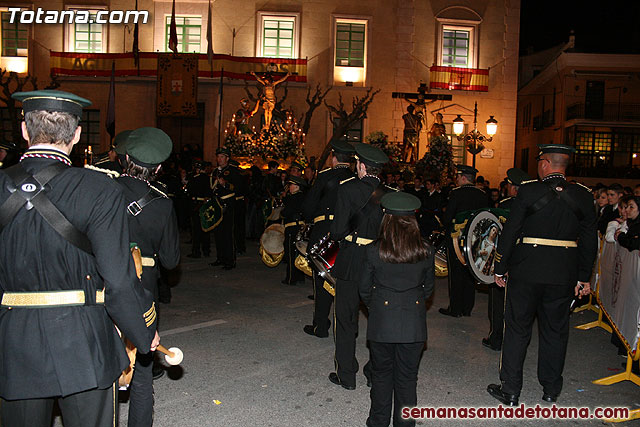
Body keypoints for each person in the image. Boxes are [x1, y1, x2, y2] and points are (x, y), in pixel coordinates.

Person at [0, 90, 159, 426]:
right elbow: (118, 279)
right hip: (84, 342)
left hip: (12, 343)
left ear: (25, 130)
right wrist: (143, 333)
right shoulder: (99, 189)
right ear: (76, 134)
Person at [487, 144, 597, 406]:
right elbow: (591, 240)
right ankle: (551, 389)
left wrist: (500, 267)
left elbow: (511, 231)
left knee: (516, 329)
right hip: (563, 272)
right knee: (555, 331)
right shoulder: (583, 196)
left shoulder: (528, 191)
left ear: (545, 164)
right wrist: (584, 277)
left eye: (539, 162)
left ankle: (511, 390)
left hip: (527, 269)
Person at [115, 127, 180, 426]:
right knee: (141, 371)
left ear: (124, 158)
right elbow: (171, 260)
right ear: (159, 168)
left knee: (104, 363)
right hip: (144, 289)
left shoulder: (104, 190)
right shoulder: (163, 203)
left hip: (106, 282)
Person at [360, 192, 434, 427]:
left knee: (381, 377)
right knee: (407, 379)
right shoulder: (425, 250)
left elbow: (364, 289)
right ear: (413, 220)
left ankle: (378, 422)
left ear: (387, 219)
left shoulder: (374, 250)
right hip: (413, 323)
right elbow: (428, 289)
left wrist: (379, 308)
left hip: (382, 321)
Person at [328, 143, 391, 390]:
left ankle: (347, 375)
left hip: (352, 259)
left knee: (345, 319)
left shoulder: (348, 189)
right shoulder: (390, 194)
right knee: (379, 320)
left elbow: (336, 232)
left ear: (361, 166)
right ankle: (374, 372)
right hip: (379, 262)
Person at [302, 140, 355, 338]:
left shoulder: (325, 176)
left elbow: (308, 206)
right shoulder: (355, 178)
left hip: (325, 231)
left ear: (334, 158)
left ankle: (321, 326)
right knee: (345, 280)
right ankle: (347, 329)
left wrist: (309, 217)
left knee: (322, 277)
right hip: (348, 233)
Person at [483, 167, 529, 352]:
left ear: (514, 188)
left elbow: (497, 234)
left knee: (497, 302)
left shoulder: (506, 205)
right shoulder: (533, 205)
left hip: (505, 258)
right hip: (523, 261)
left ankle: (496, 338)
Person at [439, 164, 489, 317]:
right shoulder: (482, 194)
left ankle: (455, 308)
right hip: (475, 239)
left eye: (458, 177)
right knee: (470, 272)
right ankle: (467, 308)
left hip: (456, 238)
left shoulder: (456, 193)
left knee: (456, 273)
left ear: (463, 178)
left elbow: (448, 218)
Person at [210, 147, 237, 270]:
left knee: (227, 233)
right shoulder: (215, 171)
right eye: (218, 157)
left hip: (227, 204)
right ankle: (220, 257)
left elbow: (238, 187)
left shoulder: (232, 171)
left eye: (222, 157)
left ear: (227, 158)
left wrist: (225, 184)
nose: (219, 159)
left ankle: (229, 260)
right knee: (218, 232)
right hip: (217, 204)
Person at [281, 175, 308, 286]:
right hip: (299, 227)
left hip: (292, 227)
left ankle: (291, 278)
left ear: (297, 187)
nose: (289, 187)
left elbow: (285, 212)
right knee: (298, 253)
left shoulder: (294, 198)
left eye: (291, 185)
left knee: (291, 253)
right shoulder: (302, 197)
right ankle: (300, 276)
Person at [187, 160, 212, 258]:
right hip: (205, 205)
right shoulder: (208, 179)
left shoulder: (194, 178)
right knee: (206, 229)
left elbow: (189, 191)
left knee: (196, 230)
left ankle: (196, 251)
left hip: (196, 204)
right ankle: (206, 250)